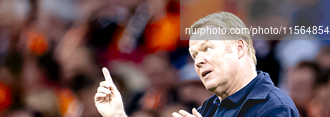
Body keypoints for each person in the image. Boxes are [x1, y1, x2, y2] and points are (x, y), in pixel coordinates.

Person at [94, 12, 300, 117]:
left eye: (207, 48)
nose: (199, 60)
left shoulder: (273, 106)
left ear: (239, 48)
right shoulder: (209, 108)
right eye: (194, 55)